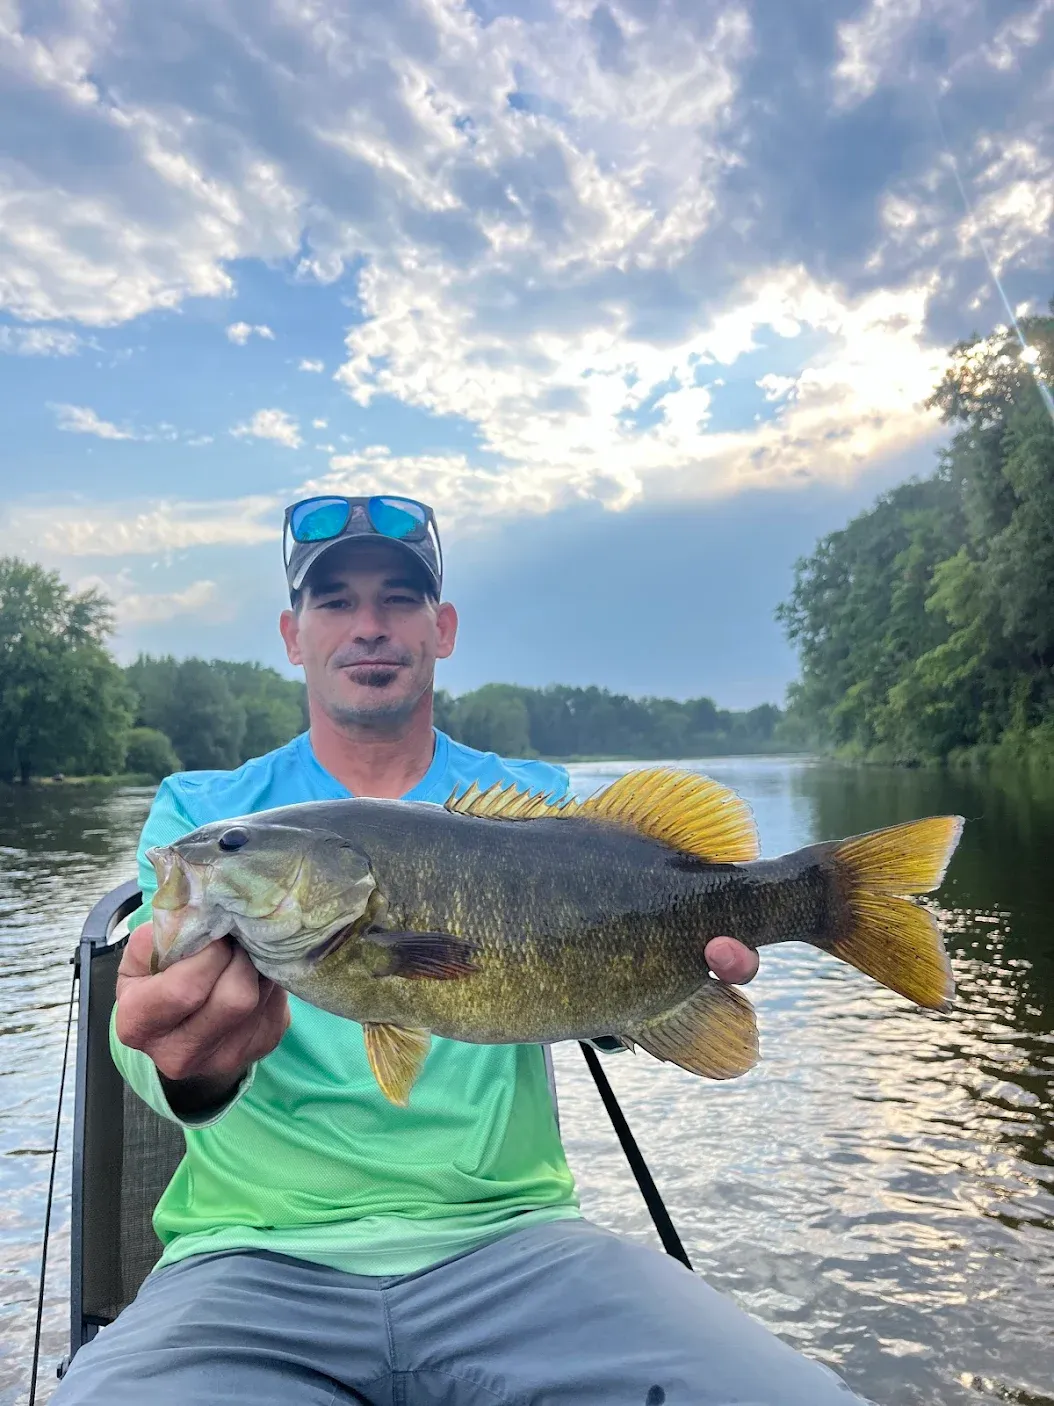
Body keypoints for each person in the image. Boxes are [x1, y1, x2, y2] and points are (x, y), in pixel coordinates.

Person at [54, 494, 866, 1405]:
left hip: (521, 1252)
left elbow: (566, 987)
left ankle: (838, 897)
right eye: (335, 602)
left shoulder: (539, 800)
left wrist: (653, 990)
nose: (370, 627)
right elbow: (144, 1039)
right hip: (249, 1267)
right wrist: (185, 1064)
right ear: (293, 633)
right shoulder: (205, 816)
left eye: (400, 600)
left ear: (442, 629)